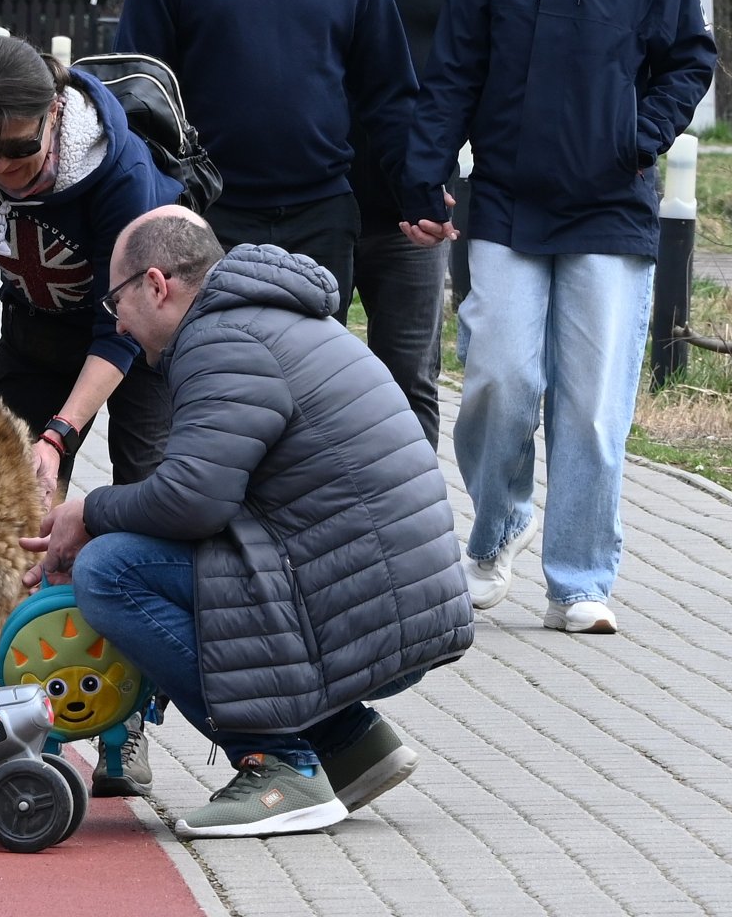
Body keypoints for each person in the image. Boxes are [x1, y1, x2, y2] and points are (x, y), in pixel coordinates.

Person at [24, 206, 473, 839]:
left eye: (116, 301)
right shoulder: (256, 320)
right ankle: (348, 743)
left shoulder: (221, 340)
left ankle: (277, 764)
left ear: (157, 285)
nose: (117, 321)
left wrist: (87, 513)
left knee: (110, 571)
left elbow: (194, 501)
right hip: (393, 599)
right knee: (130, 552)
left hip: (375, 611)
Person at [400, 0, 716, 636]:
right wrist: (427, 173)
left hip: (610, 207)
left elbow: (691, 59)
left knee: (589, 404)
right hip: (504, 200)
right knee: (501, 377)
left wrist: (639, 135)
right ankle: (496, 531)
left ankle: (579, 579)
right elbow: (454, 71)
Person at [0, 34, 181, 797]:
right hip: (34, 327)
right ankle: (20, 721)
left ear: (56, 113)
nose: (1, 175)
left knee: (138, 525)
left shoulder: (121, 176)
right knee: (12, 535)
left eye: (19, 157)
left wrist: (58, 436)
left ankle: (125, 724)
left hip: (141, 344)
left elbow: (117, 332)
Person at [114, 0, 419, 322]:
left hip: (320, 217)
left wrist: (419, 189)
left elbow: (390, 97)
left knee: (308, 385)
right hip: (209, 217)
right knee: (213, 376)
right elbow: (135, 100)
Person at [318, 0, 475, 448]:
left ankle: (413, 547)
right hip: (312, 210)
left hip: (415, 219)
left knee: (408, 382)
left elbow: (479, 81)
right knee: (305, 385)